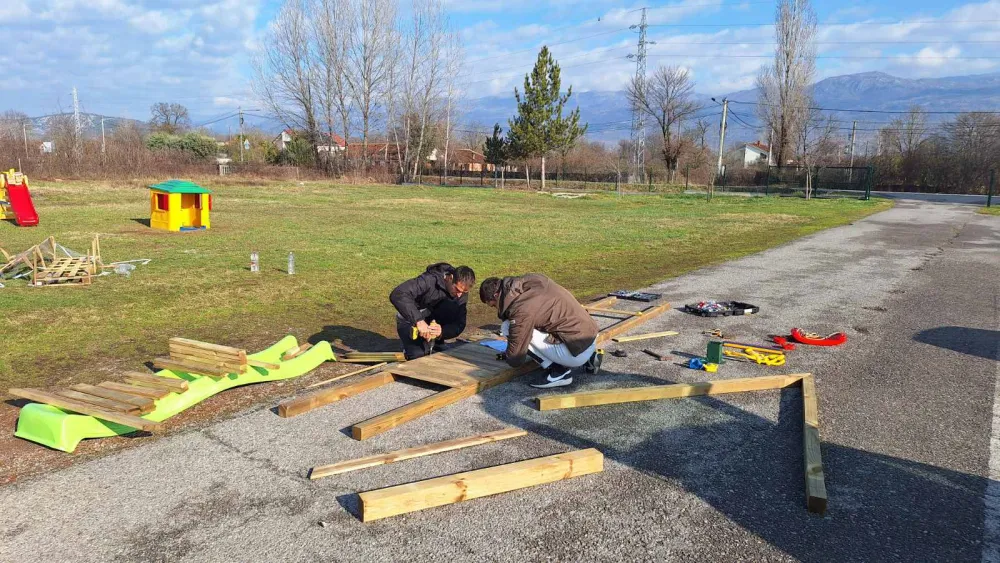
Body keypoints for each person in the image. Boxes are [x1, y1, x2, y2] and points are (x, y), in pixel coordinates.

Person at [479, 273, 601, 389]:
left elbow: (516, 359)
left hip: (576, 354)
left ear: (496, 296)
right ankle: (589, 356)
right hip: (590, 336)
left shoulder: (520, 309)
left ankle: (559, 372)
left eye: (493, 305)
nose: (495, 308)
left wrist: (510, 354)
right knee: (536, 324)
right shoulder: (533, 279)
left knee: (507, 327)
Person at [390, 263, 476, 360]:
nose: (460, 295)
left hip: (433, 320)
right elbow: (398, 294)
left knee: (444, 357)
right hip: (410, 319)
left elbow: (460, 323)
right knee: (418, 357)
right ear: (450, 278)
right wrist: (419, 321)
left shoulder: (461, 293)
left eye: (464, 292)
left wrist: (442, 332)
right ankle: (411, 347)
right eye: (457, 289)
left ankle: (436, 343)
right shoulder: (429, 280)